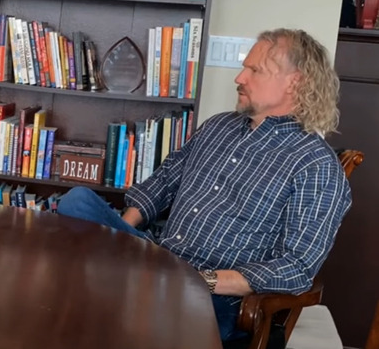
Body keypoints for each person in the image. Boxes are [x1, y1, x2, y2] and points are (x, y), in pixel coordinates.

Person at [57, 28, 352, 342]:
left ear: (296, 82)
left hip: (214, 297)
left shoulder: (315, 165)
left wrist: (202, 281)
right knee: (77, 202)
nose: (240, 78)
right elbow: (164, 181)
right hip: (156, 262)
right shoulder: (218, 126)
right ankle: (115, 280)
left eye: (255, 70)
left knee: (96, 306)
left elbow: (297, 267)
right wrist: (121, 239)